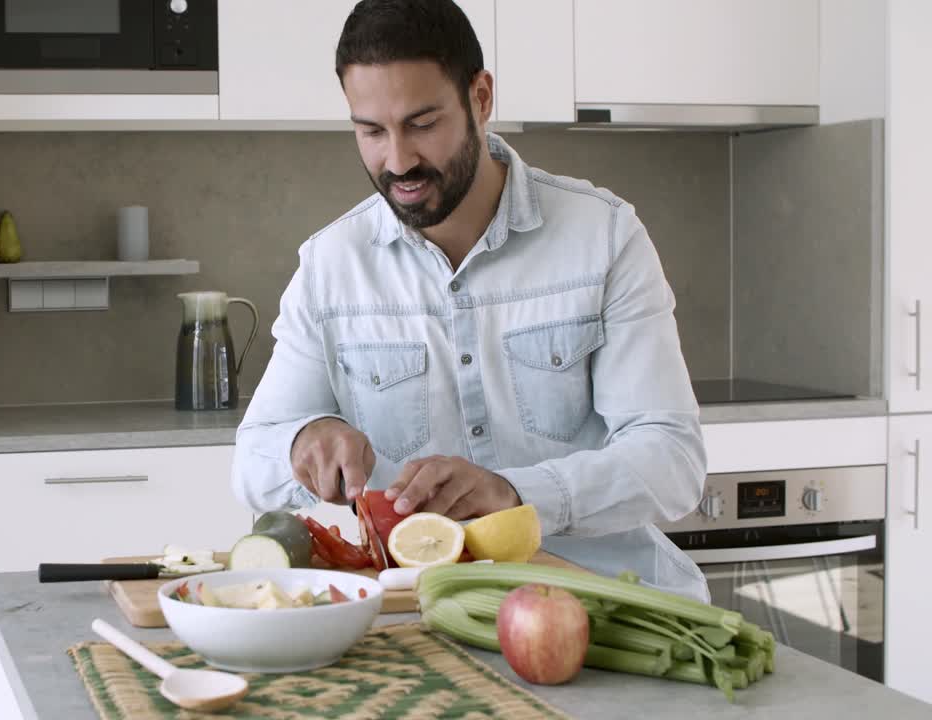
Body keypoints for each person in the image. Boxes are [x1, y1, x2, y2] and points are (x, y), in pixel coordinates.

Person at [231, 0, 709, 602]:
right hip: (418, 627)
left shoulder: (604, 238)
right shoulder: (331, 267)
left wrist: (515, 494)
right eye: (371, 131)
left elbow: (673, 462)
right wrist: (304, 440)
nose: (398, 160)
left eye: (422, 123)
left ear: (481, 98)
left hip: (609, 607)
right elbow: (252, 461)